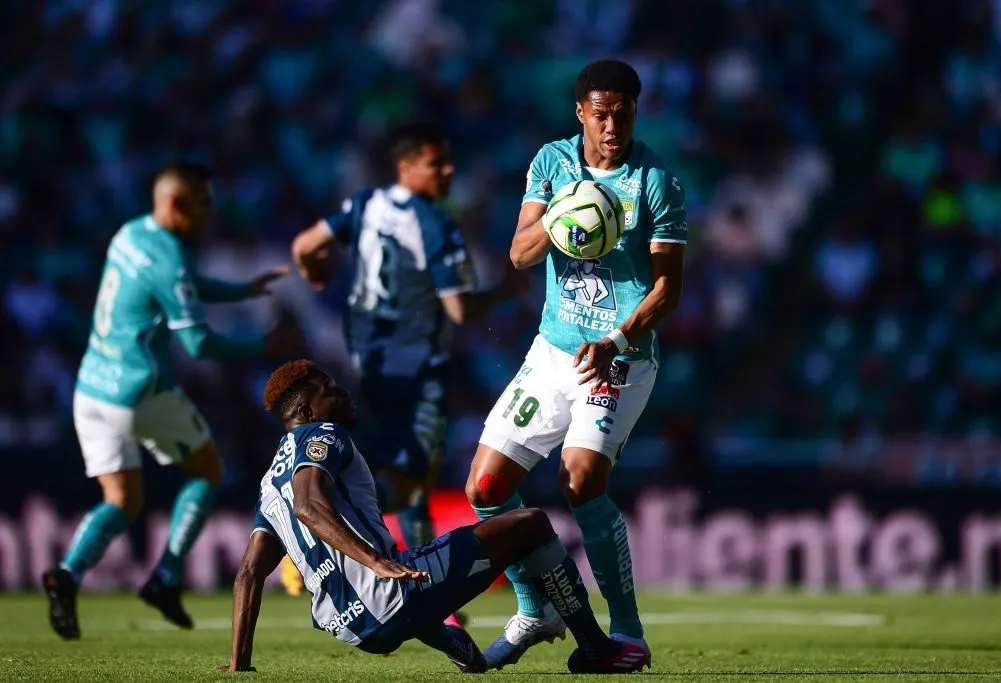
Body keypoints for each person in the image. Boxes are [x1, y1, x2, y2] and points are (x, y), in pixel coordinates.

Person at [464, 59, 688, 669]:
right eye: (602, 113)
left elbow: (667, 291)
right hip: (554, 347)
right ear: (582, 113)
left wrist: (615, 340)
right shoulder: (550, 163)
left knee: (581, 479)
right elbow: (518, 254)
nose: (613, 125)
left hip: (620, 356)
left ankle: (628, 631)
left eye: (624, 113)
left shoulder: (656, 183)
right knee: (485, 487)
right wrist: (562, 217)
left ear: (636, 113)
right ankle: (534, 609)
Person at [220, 359, 650, 674]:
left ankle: (450, 638)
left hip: (348, 627)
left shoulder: (267, 483)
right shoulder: (323, 434)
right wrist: (376, 562)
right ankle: (596, 647)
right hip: (389, 596)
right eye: (328, 388)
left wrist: (239, 665)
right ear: (308, 412)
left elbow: (249, 574)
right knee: (531, 524)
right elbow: (308, 504)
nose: (342, 391)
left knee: (416, 578)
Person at [43, 162, 303, 640]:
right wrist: (266, 346)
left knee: (120, 500)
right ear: (177, 205)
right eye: (203, 203)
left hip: (92, 388)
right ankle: (165, 577)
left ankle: (67, 572)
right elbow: (199, 345)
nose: (211, 212)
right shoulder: (171, 257)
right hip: (141, 391)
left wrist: (240, 290)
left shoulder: (130, 234)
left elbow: (180, 286)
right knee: (206, 471)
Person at [288, 123, 527, 585]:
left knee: (412, 476)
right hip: (417, 370)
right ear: (406, 167)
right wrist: (506, 290)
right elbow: (460, 309)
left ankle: (423, 579)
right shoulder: (435, 224)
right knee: (412, 479)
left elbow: (304, 246)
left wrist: (314, 273)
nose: (448, 171)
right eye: (436, 163)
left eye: (448, 161)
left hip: (366, 365)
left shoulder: (364, 205)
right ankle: (319, 526)